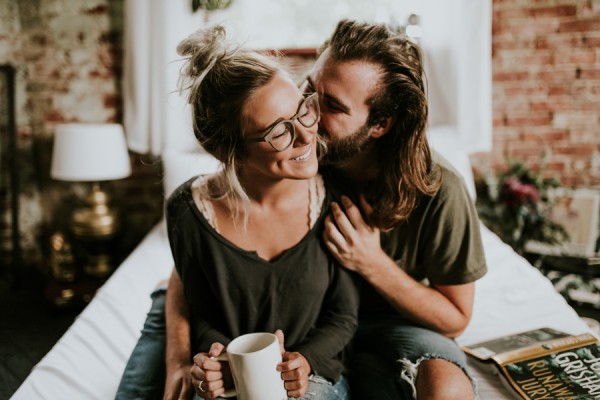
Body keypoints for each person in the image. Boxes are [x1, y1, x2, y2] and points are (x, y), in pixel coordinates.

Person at [118, 19, 487, 400]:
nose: (309, 118)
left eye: (333, 106)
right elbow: (199, 262)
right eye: (309, 88)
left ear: (379, 124)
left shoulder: (439, 190)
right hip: (286, 319)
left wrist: (372, 263)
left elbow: (456, 318)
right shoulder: (294, 153)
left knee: (447, 387)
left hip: (381, 322)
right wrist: (180, 356)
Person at [115, 25, 359, 400]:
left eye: (303, 111)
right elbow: (203, 313)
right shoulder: (188, 212)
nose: (307, 136)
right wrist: (215, 361)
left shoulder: (336, 198)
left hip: (313, 379)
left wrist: (305, 361)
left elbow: (343, 318)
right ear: (234, 153)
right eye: (279, 132)